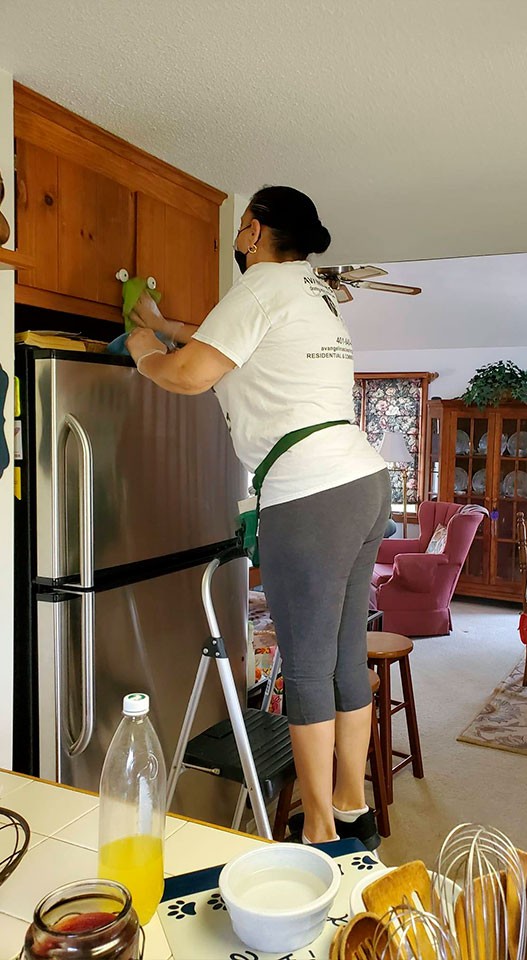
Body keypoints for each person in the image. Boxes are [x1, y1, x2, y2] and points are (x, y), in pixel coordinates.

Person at [126, 185, 391, 848]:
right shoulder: (313, 293)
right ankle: (351, 806)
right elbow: (227, 340)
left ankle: (319, 832)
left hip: (311, 494)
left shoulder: (259, 287)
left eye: (242, 226)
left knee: (305, 666)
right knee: (344, 654)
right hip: (363, 483)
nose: (237, 236)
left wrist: (143, 349)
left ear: (253, 230)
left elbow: (190, 374)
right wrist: (167, 325)